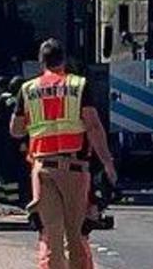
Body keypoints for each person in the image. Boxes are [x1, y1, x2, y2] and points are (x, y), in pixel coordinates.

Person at [10, 39, 117, 269]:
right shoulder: (78, 86)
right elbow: (94, 127)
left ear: (41, 61)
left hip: (42, 169)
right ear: (64, 60)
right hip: (74, 169)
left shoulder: (28, 90)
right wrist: (107, 163)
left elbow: (16, 130)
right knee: (75, 236)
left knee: (52, 236)